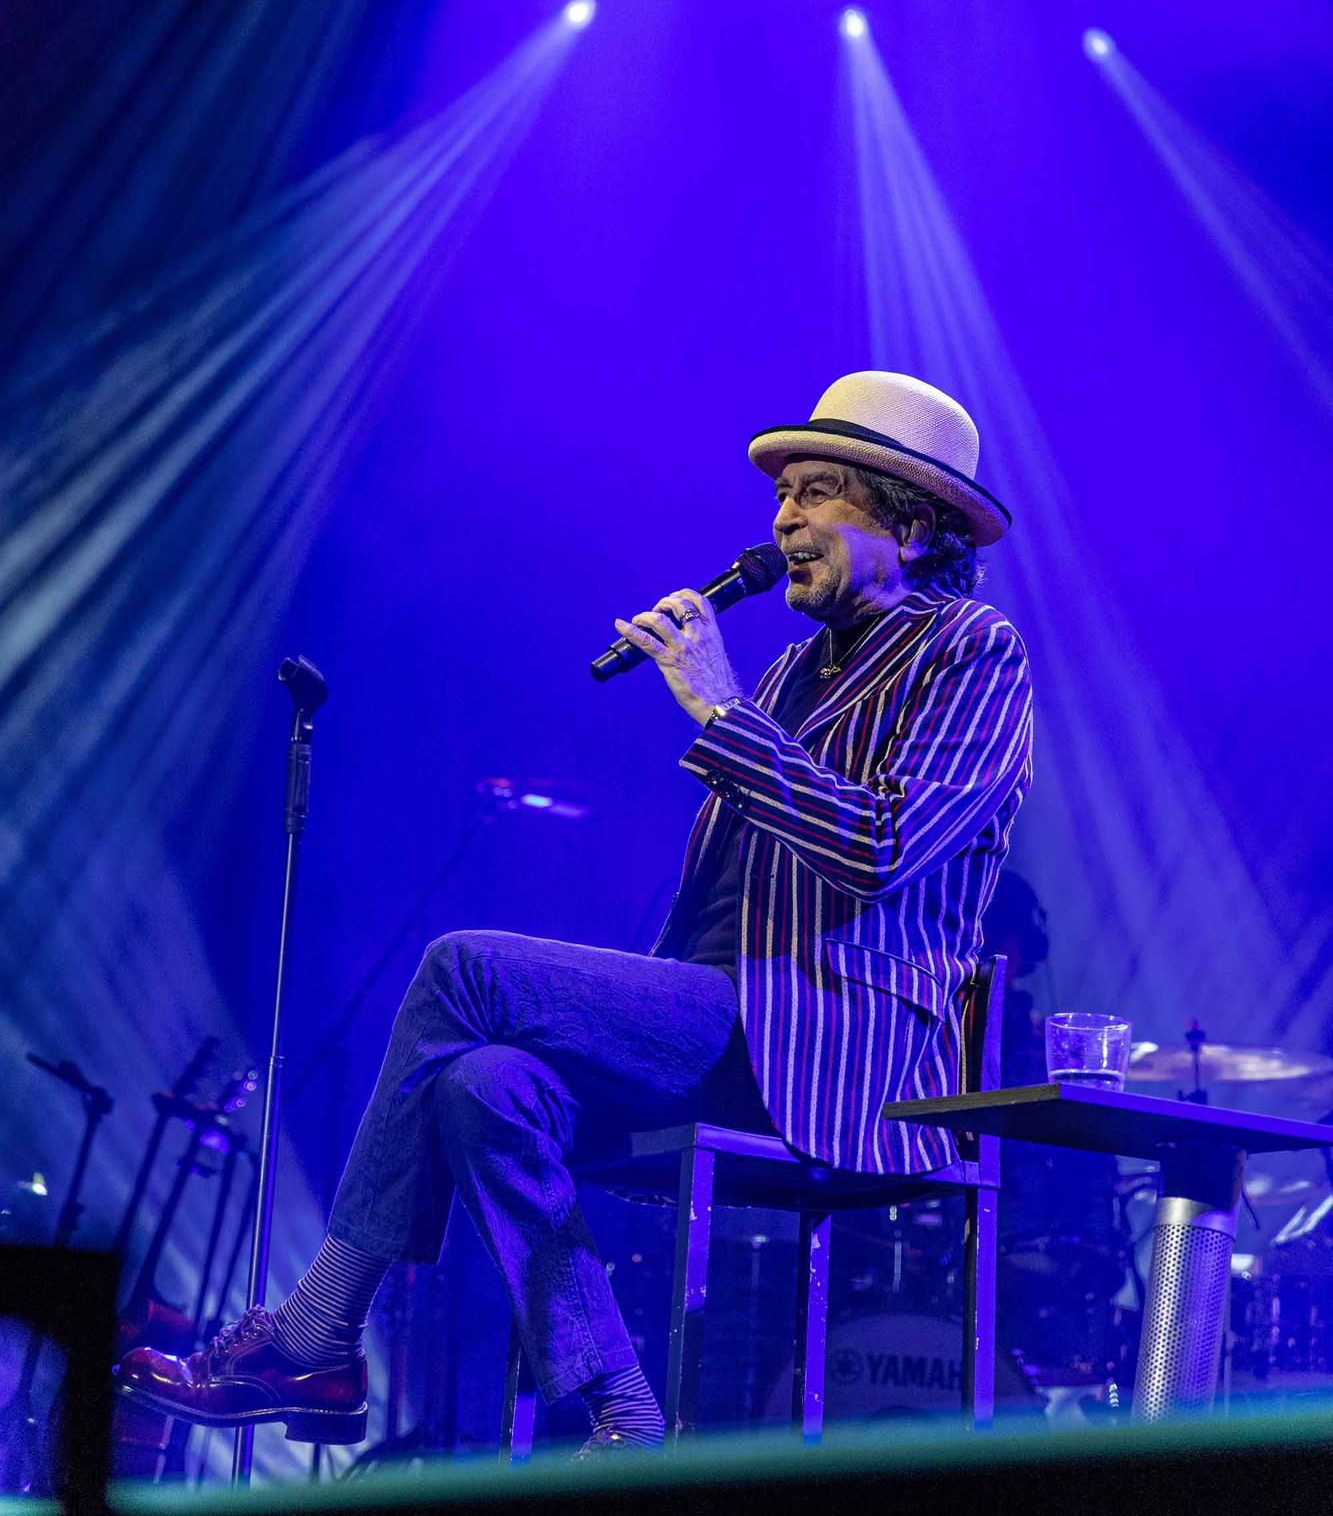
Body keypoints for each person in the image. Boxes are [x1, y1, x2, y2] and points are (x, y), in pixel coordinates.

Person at [117, 371, 1033, 1456]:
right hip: (723, 1024)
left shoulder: (973, 649)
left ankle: (316, 1332)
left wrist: (722, 712)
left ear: (914, 522)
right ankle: (624, 1412)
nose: (781, 516)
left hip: (839, 1042)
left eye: (819, 490)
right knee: (482, 1081)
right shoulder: (791, 671)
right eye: (781, 493)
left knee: (467, 967)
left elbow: (882, 850)